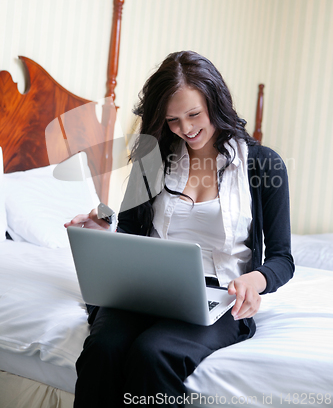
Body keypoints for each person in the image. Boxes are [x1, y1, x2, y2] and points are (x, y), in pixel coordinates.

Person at [65, 51, 294, 407]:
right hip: (144, 285)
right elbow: (127, 226)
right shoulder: (154, 159)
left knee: (153, 352)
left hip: (219, 297)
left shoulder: (263, 164)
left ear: (216, 102)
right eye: (172, 120)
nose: (185, 129)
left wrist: (255, 280)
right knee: (102, 349)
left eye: (194, 115)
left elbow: (283, 258)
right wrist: (103, 226)